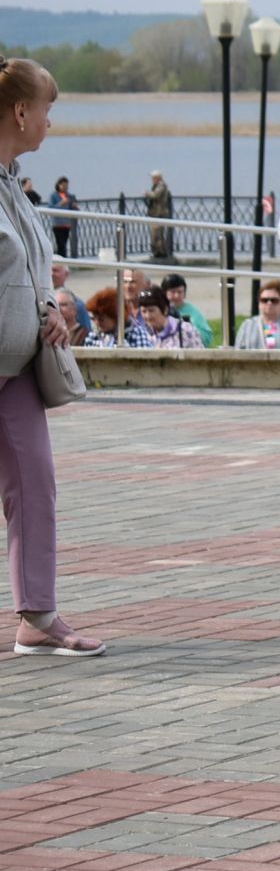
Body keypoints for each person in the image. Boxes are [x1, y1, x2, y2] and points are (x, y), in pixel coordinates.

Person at [0, 54, 103, 656]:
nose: (50, 121)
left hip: (15, 370)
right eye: (48, 108)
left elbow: (21, 271)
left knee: (35, 486)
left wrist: (51, 314)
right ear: (20, 111)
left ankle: (37, 618)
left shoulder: (13, 183)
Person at [233, 278, 280, 349]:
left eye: (274, 300)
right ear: (259, 303)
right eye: (264, 300)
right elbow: (238, 350)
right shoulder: (247, 325)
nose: (269, 303)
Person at [135, 288, 204, 348]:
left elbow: (201, 358)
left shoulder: (185, 329)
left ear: (165, 310)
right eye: (144, 311)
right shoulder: (142, 334)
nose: (148, 316)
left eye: (151, 311)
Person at [83, 287, 151, 347]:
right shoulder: (93, 336)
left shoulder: (137, 334)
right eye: (93, 318)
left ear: (115, 316)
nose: (97, 322)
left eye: (101, 319)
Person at [162, 273, 213, 347]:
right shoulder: (159, 310)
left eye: (180, 292)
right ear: (164, 293)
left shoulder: (193, 312)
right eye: (173, 292)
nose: (176, 296)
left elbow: (207, 336)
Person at [50, 262, 91, 336]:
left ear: (66, 274)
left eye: (55, 270)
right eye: (49, 271)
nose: (51, 274)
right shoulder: (39, 301)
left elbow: (86, 334)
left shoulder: (78, 305)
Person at [145, 170, 174, 260]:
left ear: (157, 178)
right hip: (155, 213)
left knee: (158, 234)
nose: (152, 180)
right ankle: (157, 252)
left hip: (159, 213)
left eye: (153, 178)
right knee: (156, 234)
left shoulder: (161, 185)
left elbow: (155, 195)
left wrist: (147, 194)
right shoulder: (157, 186)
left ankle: (160, 253)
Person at [49, 177, 75, 259]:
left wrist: (74, 206)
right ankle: (61, 261)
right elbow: (50, 208)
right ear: (59, 185)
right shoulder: (53, 196)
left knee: (64, 243)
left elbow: (71, 207)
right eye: (63, 185)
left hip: (66, 223)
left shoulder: (69, 196)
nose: (65, 187)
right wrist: (60, 204)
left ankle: (63, 260)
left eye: (66, 185)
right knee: (60, 244)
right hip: (57, 224)